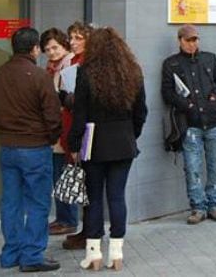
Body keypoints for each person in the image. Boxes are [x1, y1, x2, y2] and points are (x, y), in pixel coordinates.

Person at [68, 27, 147, 271]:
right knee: (116, 196)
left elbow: (79, 115)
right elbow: (141, 112)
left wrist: (73, 145)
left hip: (94, 143)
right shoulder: (133, 72)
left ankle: (93, 254)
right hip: (123, 143)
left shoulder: (86, 74)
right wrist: (131, 134)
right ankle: (116, 252)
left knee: (93, 198)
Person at [0, 27, 62, 272]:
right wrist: (51, 138)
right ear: (35, 49)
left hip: (7, 147)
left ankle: (10, 254)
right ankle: (32, 255)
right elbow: (53, 117)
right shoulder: (40, 76)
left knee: (11, 202)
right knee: (38, 203)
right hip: (35, 148)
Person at [161, 24, 216, 224]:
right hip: (190, 123)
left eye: (195, 39)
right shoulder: (171, 64)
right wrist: (187, 104)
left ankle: (214, 204)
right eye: (189, 40)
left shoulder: (209, 58)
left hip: (214, 120)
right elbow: (167, 92)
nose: (193, 43)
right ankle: (198, 207)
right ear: (180, 41)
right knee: (192, 167)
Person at [40, 28, 77, 236]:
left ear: (64, 45)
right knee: (59, 174)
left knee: (64, 174)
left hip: (66, 127)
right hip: (57, 128)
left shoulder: (69, 65)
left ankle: (69, 219)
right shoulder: (52, 67)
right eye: (47, 49)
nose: (51, 52)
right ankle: (63, 217)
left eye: (55, 47)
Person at [61, 21, 93, 250]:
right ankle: (85, 229)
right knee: (80, 180)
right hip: (71, 124)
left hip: (84, 130)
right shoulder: (71, 62)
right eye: (71, 37)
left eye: (78, 37)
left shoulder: (89, 65)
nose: (73, 42)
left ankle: (89, 232)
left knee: (88, 181)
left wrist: (70, 99)